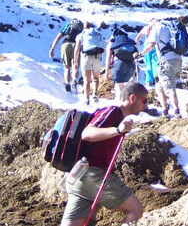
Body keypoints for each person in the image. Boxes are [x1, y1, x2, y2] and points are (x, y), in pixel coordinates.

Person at [61, 82, 147, 226]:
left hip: (79, 176)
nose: (146, 105)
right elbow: (87, 133)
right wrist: (117, 131)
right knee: (135, 210)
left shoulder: (116, 116)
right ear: (133, 98)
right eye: (144, 101)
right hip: (93, 174)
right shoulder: (112, 111)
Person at [139, 18, 183, 117]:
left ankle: (177, 112)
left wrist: (140, 54)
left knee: (169, 87)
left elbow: (151, 45)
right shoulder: (170, 28)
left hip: (166, 60)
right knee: (159, 86)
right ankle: (165, 111)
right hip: (178, 60)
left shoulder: (158, 28)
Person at [74, 22, 105, 105]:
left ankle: (87, 99)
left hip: (86, 57)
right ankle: (95, 94)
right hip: (97, 57)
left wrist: (76, 60)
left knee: (86, 80)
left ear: (84, 27)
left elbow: (77, 49)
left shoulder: (81, 35)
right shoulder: (97, 34)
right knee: (95, 78)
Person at [103, 29, 137, 102]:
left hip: (119, 64)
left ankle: (121, 108)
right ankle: (127, 105)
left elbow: (108, 57)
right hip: (131, 66)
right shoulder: (129, 42)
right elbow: (135, 58)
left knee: (119, 88)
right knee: (125, 88)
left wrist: (106, 73)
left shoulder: (113, 42)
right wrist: (134, 74)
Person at [49, 19, 82, 92]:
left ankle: (67, 83)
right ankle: (74, 81)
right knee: (75, 65)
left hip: (65, 44)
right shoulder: (81, 28)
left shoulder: (68, 25)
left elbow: (58, 37)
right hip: (76, 45)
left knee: (67, 67)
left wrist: (52, 49)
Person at [134, 19, 159, 87]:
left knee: (148, 63)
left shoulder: (146, 28)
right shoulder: (157, 28)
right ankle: (156, 78)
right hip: (155, 44)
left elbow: (138, 37)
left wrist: (136, 45)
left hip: (147, 44)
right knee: (155, 62)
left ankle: (149, 80)